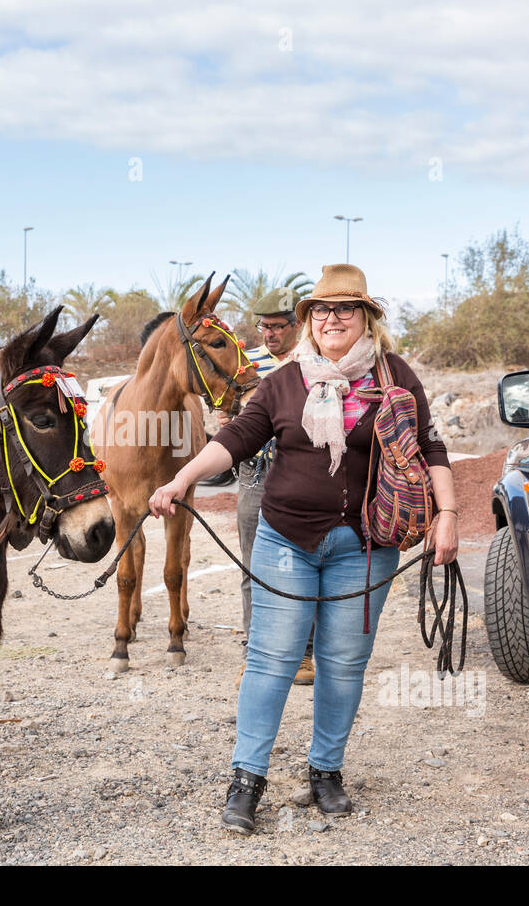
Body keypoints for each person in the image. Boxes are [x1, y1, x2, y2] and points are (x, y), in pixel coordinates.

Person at [149, 263, 459, 834]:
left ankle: (326, 771)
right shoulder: (285, 380)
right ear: (308, 322)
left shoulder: (396, 377)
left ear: (367, 318)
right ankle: (247, 778)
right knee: (272, 660)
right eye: (321, 310)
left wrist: (447, 516)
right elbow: (235, 439)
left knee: (343, 664)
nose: (332, 318)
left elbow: (431, 447)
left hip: (366, 543)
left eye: (345, 309)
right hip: (287, 539)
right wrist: (177, 481)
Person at [220, 288, 314, 688]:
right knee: (251, 564)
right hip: (253, 475)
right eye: (264, 327)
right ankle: (255, 650)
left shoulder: (313, 361)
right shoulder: (246, 365)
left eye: (278, 326)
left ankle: (305, 654)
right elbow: (226, 412)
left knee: (305, 563)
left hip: (299, 474)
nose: (270, 334)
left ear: (296, 326)